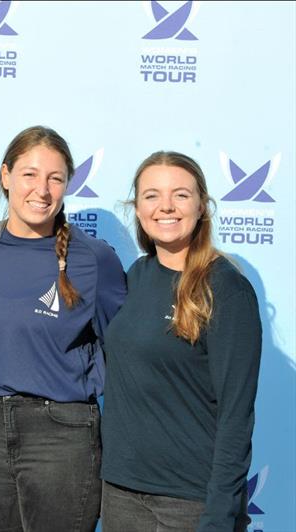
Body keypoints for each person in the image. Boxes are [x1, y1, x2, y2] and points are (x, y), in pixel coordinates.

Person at [0, 126, 126, 532]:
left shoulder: (94, 259)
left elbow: (125, 345)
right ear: (6, 176)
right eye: (30, 174)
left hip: (63, 433)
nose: (42, 189)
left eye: (55, 178)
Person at [100, 151, 260, 531]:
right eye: (152, 195)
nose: (166, 206)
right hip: (121, 494)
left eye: (181, 195)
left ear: (202, 206)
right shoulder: (134, 277)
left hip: (189, 501)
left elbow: (236, 415)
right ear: (137, 208)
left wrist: (219, 517)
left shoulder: (225, 288)